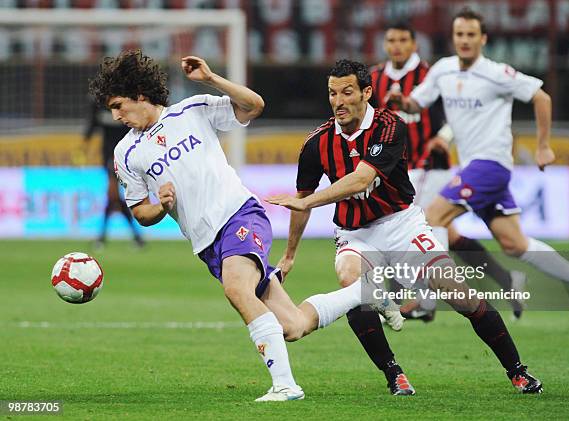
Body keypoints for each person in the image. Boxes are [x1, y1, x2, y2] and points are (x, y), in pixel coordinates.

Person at [89, 50, 390, 402]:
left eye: (119, 105)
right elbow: (140, 211)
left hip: (239, 215)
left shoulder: (193, 110)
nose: (115, 115)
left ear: (140, 95)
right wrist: (161, 207)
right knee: (293, 326)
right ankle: (368, 290)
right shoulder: (125, 153)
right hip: (207, 245)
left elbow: (254, 105)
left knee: (237, 289)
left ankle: (286, 386)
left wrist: (211, 79)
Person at [267, 59, 543, 394]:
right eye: (332, 93)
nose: (338, 101)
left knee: (458, 293)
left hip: (402, 225)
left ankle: (517, 371)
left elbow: (361, 179)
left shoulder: (389, 126)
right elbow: (302, 197)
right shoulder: (317, 144)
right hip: (355, 234)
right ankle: (393, 373)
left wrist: (308, 202)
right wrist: (290, 254)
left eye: (347, 92)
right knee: (351, 283)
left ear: (367, 92)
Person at [402, 8, 569, 323]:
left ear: (483, 39)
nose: (464, 41)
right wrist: (402, 102)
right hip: (473, 168)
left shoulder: (497, 73)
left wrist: (544, 145)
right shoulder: (443, 70)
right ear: (453, 38)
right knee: (514, 243)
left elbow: (542, 98)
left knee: (433, 216)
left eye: (471, 35)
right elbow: (417, 102)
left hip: (490, 165)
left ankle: (427, 300)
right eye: (459, 35)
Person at [371, 21, 526, 321]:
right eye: (391, 40)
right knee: (448, 235)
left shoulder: (433, 74)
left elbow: (457, 113)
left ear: (414, 44)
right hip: (399, 169)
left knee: (405, 226)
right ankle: (508, 281)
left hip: (431, 165)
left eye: (403, 40)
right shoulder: (376, 78)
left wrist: (444, 137)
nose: (397, 46)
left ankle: (419, 302)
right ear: (385, 44)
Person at [82, 101, 145, 249]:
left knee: (113, 197)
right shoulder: (98, 105)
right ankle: (136, 237)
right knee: (113, 197)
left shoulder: (126, 104)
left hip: (125, 156)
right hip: (108, 157)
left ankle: (103, 237)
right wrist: (85, 145)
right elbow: (91, 127)